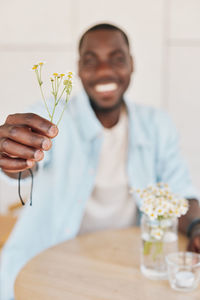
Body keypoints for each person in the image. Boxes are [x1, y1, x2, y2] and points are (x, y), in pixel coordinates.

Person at [0, 23, 200, 299]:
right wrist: (13, 153)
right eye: (91, 61)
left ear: (132, 64)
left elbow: (181, 194)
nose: (104, 70)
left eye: (116, 59)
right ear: (79, 69)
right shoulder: (54, 117)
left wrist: (195, 226)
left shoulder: (157, 124)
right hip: (47, 265)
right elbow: (24, 158)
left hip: (122, 266)